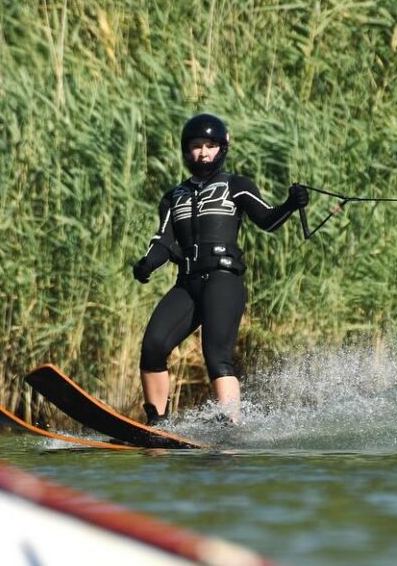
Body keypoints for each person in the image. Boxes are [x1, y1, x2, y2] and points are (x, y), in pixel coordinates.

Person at [131, 113, 308, 425]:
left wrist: (291, 204)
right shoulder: (173, 197)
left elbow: (268, 220)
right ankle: (156, 424)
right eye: (197, 146)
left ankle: (231, 425)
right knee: (153, 347)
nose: (203, 152)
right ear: (186, 151)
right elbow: (162, 241)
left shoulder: (236, 186)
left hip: (223, 280)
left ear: (222, 148)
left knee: (216, 356)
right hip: (187, 283)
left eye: (210, 146)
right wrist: (147, 263)